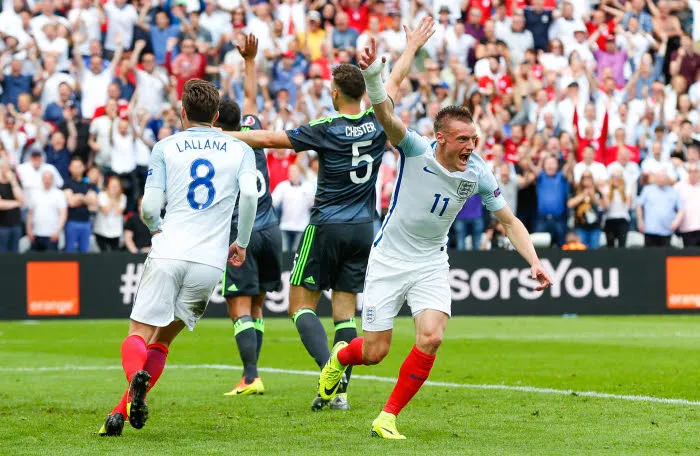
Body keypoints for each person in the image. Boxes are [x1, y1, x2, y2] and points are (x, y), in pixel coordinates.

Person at [317, 24, 552, 440]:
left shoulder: (478, 172)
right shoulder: (415, 149)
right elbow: (384, 115)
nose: (471, 146)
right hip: (389, 259)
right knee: (374, 352)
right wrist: (373, 77)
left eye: (474, 139)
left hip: (430, 261)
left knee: (431, 337)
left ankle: (387, 417)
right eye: (462, 139)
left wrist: (534, 261)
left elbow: (509, 221)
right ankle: (340, 358)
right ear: (440, 138)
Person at [223, 25, 426, 411]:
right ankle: (341, 393)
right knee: (344, 311)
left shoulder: (326, 128)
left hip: (327, 226)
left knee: (300, 306)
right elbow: (395, 80)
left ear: (334, 93)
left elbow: (267, 138)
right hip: (364, 227)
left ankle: (328, 371)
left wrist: (219, 136)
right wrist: (412, 46)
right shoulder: (378, 119)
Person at [98, 79, 258, 437]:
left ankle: (133, 384)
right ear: (215, 116)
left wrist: (156, 228)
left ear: (183, 112)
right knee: (162, 341)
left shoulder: (165, 147)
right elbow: (250, 195)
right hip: (209, 262)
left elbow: (150, 207)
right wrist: (242, 242)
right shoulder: (239, 149)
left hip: (169, 250)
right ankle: (119, 412)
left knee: (138, 333)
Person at [216, 35, 284, 397]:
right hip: (271, 228)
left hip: (241, 233)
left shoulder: (218, 148)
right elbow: (252, 99)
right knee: (257, 305)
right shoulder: (252, 131)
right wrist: (250, 61)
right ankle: (252, 375)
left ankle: (250, 376)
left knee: (238, 306)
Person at [636, 172, 682, 247]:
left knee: (665, 253)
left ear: (667, 179)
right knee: (649, 253)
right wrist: (640, 221)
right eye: (659, 177)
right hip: (650, 230)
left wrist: (676, 221)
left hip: (666, 231)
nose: (661, 180)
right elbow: (639, 205)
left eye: (663, 177)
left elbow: (681, 209)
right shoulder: (647, 189)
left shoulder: (673, 191)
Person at [63, 156, 98, 252]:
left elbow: (93, 203)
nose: (76, 169)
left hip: (86, 223)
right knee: (69, 251)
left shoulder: (89, 184)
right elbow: (71, 202)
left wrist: (78, 197)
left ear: (83, 168)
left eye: (79, 166)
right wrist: (85, 198)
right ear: (70, 168)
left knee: (84, 252)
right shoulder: (67, 183)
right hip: (71, 222)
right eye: (74, 166)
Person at [26, 170, 67, 252]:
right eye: (45, 178)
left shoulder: (59, 194)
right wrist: (29, 230)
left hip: (52, 235)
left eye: (49, 178)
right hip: (36, 234)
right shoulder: (35, 194)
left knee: (51, 259)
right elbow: (30, 213)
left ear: (53, 180)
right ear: (42, 179)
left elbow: (63, 214)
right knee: (34, 259)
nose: (47, 181)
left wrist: (57, 231)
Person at [567, 171, 603, 249]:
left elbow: (603, 205)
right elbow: (569, 204)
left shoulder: (597, 191)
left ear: (592, 179)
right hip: (580, 226)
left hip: (595, 227)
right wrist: (583, 195)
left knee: (594, 250)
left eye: (589, 177)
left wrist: (592, 196)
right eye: (584, 177)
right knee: (582, 249)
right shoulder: (577, 190)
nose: (586, 179)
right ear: (581, 179)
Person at [93, 176, 126, 252]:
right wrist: (112, 197)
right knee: (103, 254)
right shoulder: (102, 195)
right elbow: (106, 211)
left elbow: (118, 212)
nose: (114, 188)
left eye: (116, 186)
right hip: (101, 231)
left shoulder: (123, 197)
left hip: (116, 232)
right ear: (108, 186)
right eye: (112, 186)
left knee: (115, 254)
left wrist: (114, 198)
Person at [0, 157, 24, 252]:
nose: (6, 170)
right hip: (2, 226)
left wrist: (13, 181)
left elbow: (22, 199)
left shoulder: (15, 182)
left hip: (15, 224)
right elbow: (1, 205)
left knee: (15, 253)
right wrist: (17, 203)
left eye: (8, 168)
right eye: (3, 167)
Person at [602, 170, 632, 248]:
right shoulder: (607, 189)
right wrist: (609, 192)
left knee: (622, 245)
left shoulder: (626, 189)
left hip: (622, 219)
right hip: (610, 219)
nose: (615, 179)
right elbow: (606, 206)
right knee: (610, 246)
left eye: (617, 177)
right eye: (613, 177)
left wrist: (621, 190)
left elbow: (628, 206)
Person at [673, 163, 700, 246]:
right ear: (687, 173)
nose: (693, 174)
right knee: (690, 253)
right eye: (691, 171)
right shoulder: (679, 187)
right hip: (686, 228)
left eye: (696, 171)